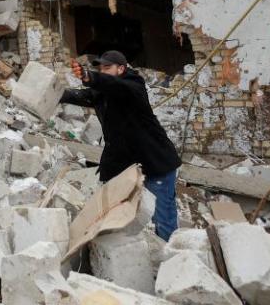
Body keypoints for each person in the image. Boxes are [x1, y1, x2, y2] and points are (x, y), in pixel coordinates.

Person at [61, 50, 182, 241]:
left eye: (107, 68)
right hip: (126, 164)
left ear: (121, 69)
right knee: (119, 213)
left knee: (163, 218)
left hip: (155, 162)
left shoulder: (134, 85)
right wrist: (56, 92)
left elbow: (116, 86)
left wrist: (89, 76)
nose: (103, 71)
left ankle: (171, 259)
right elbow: (82, 96)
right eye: (100, 68)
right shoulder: (103, 92)